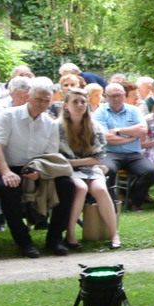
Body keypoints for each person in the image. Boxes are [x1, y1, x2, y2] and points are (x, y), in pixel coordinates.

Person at [0, 79, 76, 257]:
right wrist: (6, 172)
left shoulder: (50, 124)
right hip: (6, 164)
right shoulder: (8, 115)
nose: (42, 104)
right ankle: (24, 242)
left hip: (37, 167)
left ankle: (55, 239)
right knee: (9, 188)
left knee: (67, 185)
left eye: (46, 100)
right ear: (28, 97)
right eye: (38, 99)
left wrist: (39, 173)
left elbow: (49, 156)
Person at [57, 88, 120, 250]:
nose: (80, 105)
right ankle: (70, 233)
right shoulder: (57, 127)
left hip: (89, 167)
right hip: (67, 169)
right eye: (75, 102)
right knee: (80, 187)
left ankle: (114, 233)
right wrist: (72, 164)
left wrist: (74, 163)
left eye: (83, 102)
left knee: (100, 188)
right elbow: (55, 155)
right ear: (66, 105)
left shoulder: (95, 126)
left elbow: (98, 157)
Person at [94, 82, 154, 210]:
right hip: (110, 153)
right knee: (107, 170)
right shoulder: (100, 112)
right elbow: (106, 138)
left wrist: (118, 131)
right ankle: (111, 203)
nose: (116, 99)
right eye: (112, 96)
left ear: (124, 95)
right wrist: (131, 137)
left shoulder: (134, 110)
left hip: (133, 153)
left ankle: (133, 202)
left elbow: (143, 130)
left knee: (150, 172)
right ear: (106, 96)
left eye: (119, 95)